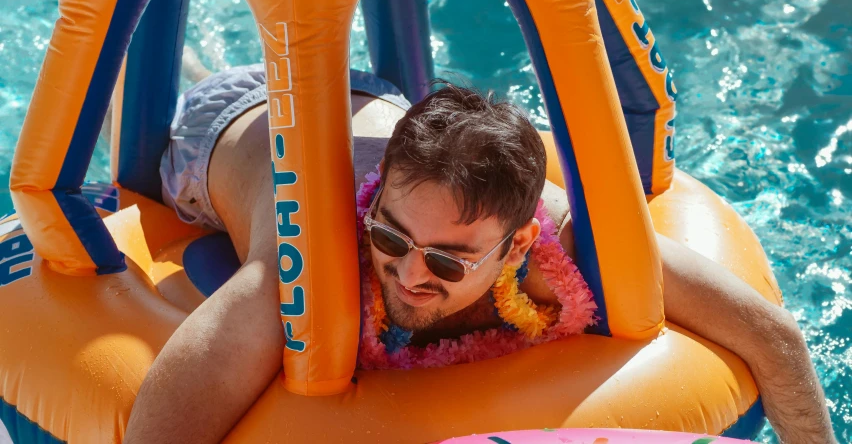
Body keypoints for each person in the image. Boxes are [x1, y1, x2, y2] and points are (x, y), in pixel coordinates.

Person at [123, 63, 836, 444]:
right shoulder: (304, 254)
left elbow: (773, 337)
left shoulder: (572, 243)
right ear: (375, 204)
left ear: (521, 243)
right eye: (391, 237)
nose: (407, 272)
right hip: (220, 132)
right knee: (170, 70)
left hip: (371, 100)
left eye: (448, 260)